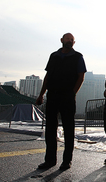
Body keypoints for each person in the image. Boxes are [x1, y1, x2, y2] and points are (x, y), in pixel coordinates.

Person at [36, 33, 86, 170]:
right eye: (67, 39)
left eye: (72, 40)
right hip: (52, 95)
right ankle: (50, 160)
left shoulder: (78, 57)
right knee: (50, 129)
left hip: (67, 97)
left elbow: (81, 77)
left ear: (73, 43)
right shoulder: (54, 56)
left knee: (68, 129)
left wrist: (72, 93)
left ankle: (66, 161)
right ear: (61, 40)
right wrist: (41, 94)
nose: (69, 41)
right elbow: (47, 76)